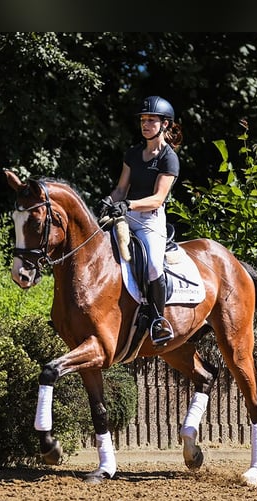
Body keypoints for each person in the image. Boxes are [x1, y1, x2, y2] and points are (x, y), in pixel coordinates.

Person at [102, 95, 183, 346]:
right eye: (143, 120)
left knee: (153, 267)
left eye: (151, 120)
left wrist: (128, 204)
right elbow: (120, 189)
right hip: (126, 216)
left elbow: (158, 199)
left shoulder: (169, 158)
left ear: (165, 125)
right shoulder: (133, 153)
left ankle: (158, 320)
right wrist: (108, 201)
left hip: (150, 221)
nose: (145, 124)